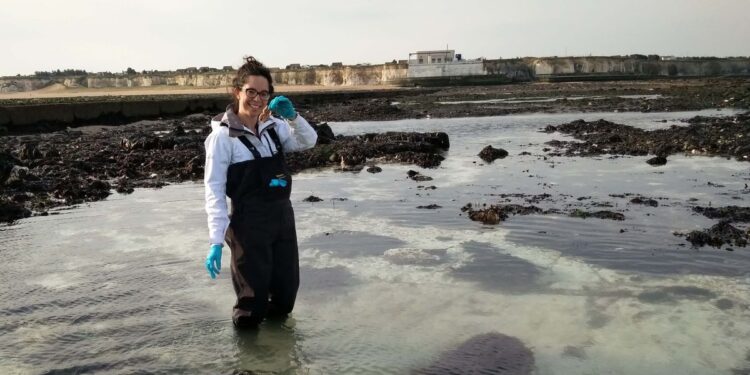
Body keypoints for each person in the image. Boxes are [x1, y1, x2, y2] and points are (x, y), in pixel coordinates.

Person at [203, 56, 318, 328]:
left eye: (264, 93)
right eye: (251, 91)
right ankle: (248, 364)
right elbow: (214, 189)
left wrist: (292, 117)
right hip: (248, 226)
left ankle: (279, 359)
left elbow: (308, 141)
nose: (257, 99)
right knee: (251, 306)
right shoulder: (222, 137)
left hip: (282, 221)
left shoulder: (274, 128)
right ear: (237, 92)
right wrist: (216, 241)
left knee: (285, 298)